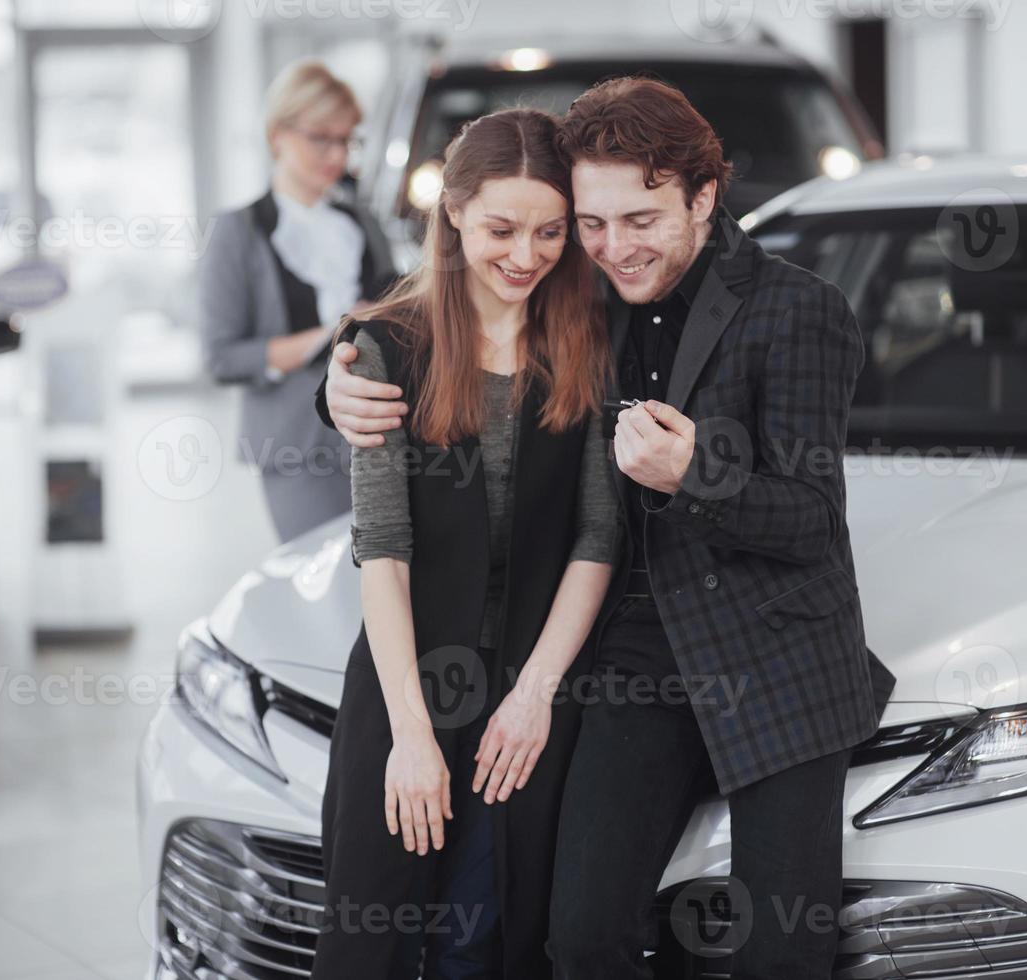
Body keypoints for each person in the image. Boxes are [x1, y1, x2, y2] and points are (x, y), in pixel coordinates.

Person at [319, 78, 898, 979]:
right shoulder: (582, 295)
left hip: (777, 661)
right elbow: (453, 326)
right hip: (633, 659)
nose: (612, 246)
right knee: (577, 938)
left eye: (641, 218)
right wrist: (342, 387)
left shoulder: (797, 309)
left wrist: (695, 473)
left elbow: (812, 521)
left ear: (704, 197)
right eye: (592, 223)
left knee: (780, 954)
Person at [311, 107, 617, 980]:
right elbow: (385, 549)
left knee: (482, 939)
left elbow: (597, 535)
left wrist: (533, 696)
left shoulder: (583, 340)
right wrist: (411, 736)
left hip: (528, 689)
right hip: (408, 681)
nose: (526, 255)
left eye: (551, 231)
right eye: (501, 229)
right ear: (451, 211)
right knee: (371, 944)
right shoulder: (384, 349)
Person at [199, 59, 394, 542]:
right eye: (321, 138)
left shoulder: (362, 224)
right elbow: (223, 357)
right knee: (319, 588)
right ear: (277, 136)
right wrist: (330, 332)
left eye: (348, 139)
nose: (337, 154)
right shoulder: (238, 232)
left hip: (379, 435)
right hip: (294, 445)